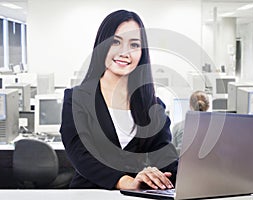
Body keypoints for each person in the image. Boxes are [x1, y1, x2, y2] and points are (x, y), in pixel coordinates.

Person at [59, 10, 178, 190]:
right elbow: (81, 156)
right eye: (116, 42)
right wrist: (127, 182)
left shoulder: (152, 105)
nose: (124, 52)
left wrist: (191, 172)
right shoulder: (77, 99)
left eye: (134, 44)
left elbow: (165, 158)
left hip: (137, 195)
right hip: (90, 195)